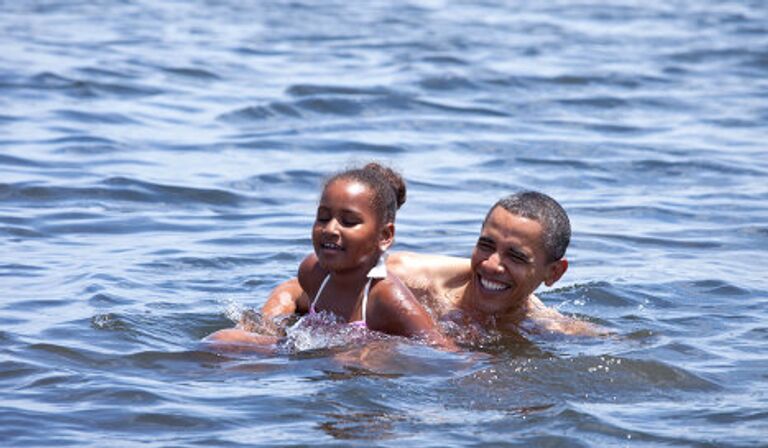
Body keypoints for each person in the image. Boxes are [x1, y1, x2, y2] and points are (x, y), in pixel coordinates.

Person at [255, 191, 597, 340]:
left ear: (554, 273)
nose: (492, 265)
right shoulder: (409, 277)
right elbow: (297, 288)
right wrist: (267, 329)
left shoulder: (544, 326)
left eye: (516, 256)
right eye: (486, 245)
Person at [207, 163, 456, 350]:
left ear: (384, 235)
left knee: (222, 344)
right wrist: (267, 323)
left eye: (348, 222)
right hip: (316, 372)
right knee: (219, 341)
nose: (330, 229)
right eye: (323, 218)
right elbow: (293, 301)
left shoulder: (385, 296)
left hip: (363, 380)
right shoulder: (313, 272)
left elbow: (440, 348)